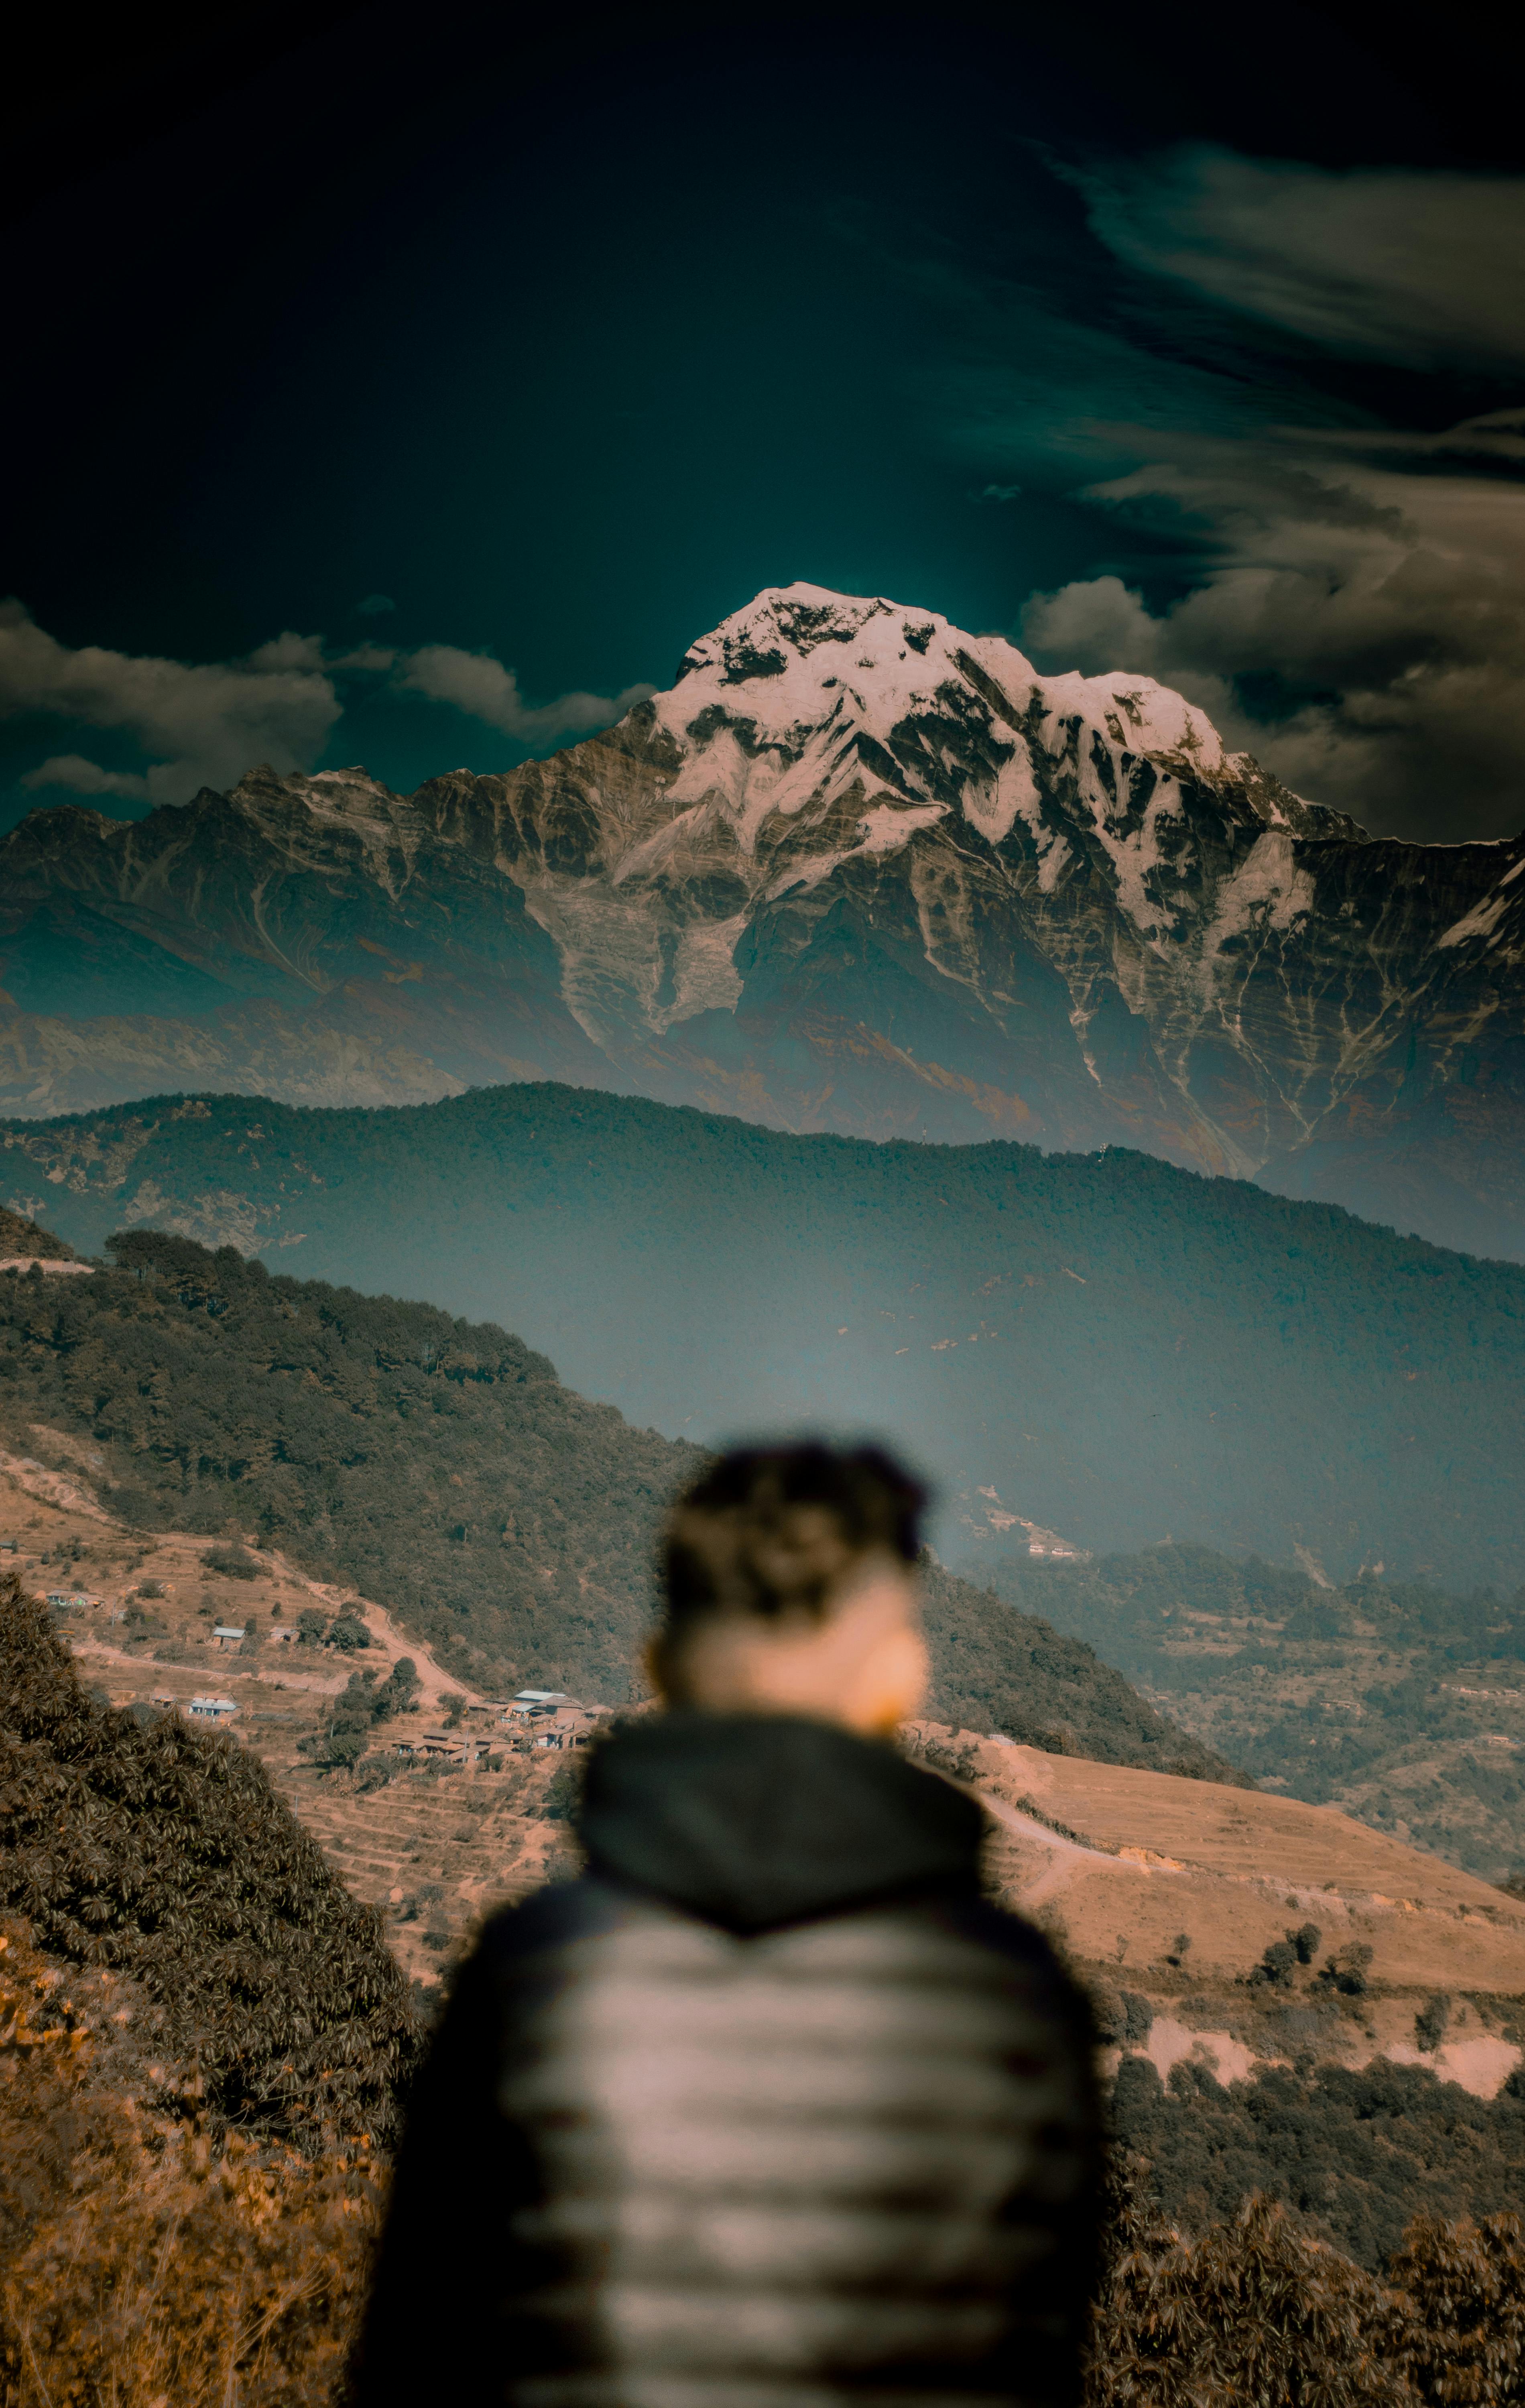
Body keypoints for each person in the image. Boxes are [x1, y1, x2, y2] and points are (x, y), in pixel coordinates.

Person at [354, 1442, 1100, 2408]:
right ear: (901, 1678)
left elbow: (413, 2357)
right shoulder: (1016, 2003)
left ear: (656, 1664)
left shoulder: (532, 1969)